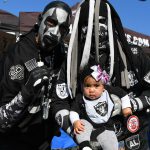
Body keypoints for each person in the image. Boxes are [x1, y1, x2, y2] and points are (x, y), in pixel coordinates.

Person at [51, 0, 150, 150]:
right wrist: (78, 133)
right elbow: (59, 102)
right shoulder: (72, 62)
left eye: (101, 21)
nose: (95, 28)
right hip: (92, 142)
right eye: (87, 22)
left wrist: (132, 104)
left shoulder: (134, 55)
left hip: (133, 138)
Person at [0, 1, 72, 150]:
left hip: (44, 141)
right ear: (40, 20)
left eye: (62, 28)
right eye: (52, 23)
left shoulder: (59, 51)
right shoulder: (18, 54)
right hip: (14, 141)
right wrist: (26, 93)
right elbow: (1, 122)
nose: (55, 33)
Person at [70, 64, 132, 150]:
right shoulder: (81, 97)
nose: (91, 90)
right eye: (87, 86)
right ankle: (85, 146)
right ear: (82, 86)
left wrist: (126, 107)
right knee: (81, 127)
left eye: (96, 86)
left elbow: (123, 94)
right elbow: (73, 111)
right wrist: (75, 121)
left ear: (103, 86)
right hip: (88, 123)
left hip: (106, 125)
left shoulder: (107, 91)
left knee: (111, 143)